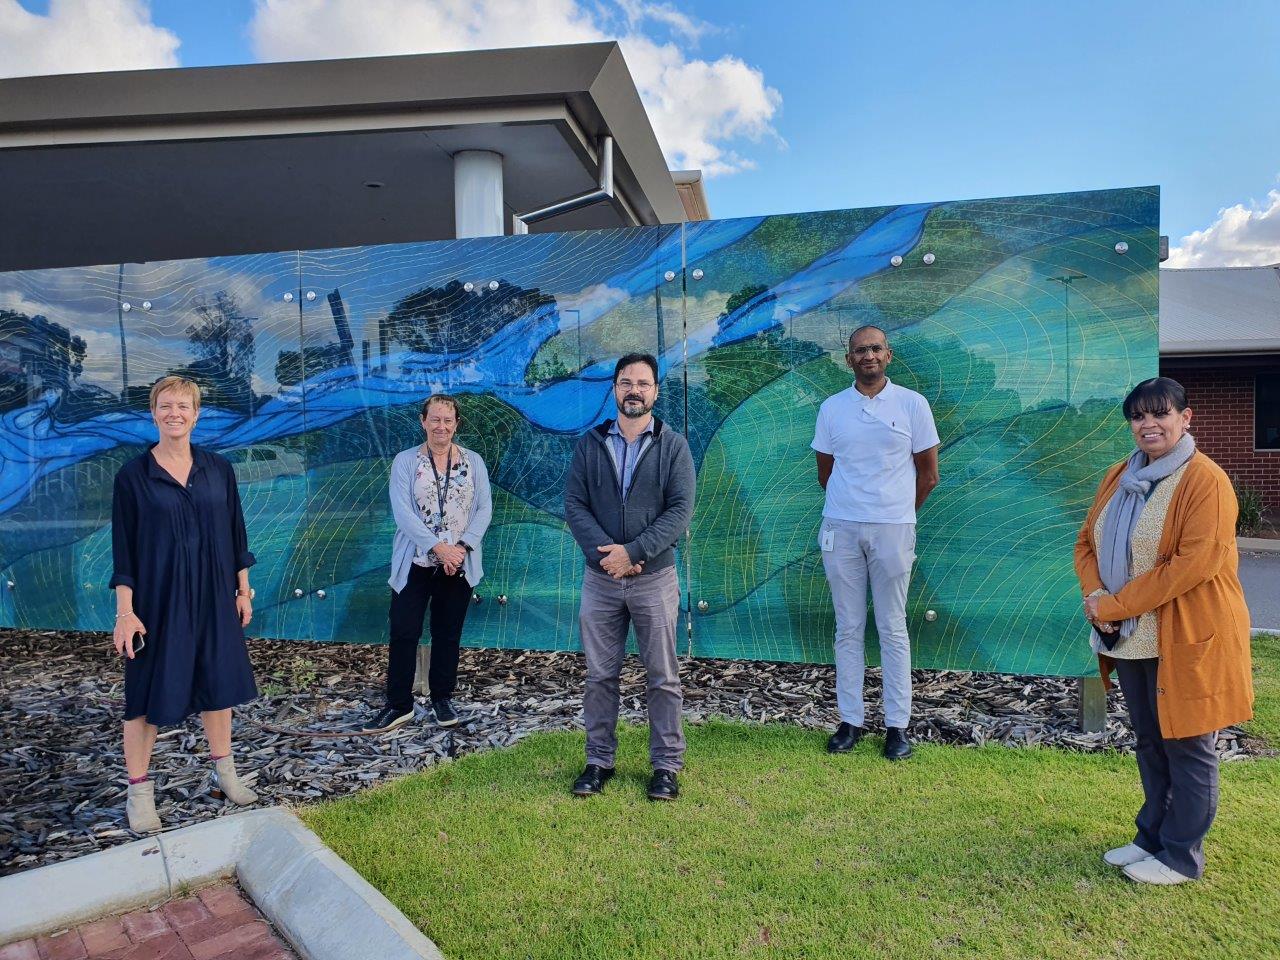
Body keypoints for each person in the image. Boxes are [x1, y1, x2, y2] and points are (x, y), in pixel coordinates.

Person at [1075, 376, 1253, 885]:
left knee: (1188, 745)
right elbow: (1087, 542)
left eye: (1160, 413)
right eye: (1138, 416)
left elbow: (1193, 564)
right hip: (1131, 635)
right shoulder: (1119, 475)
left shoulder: (1205, 480)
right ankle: (1150, 836)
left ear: (1185, 417)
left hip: (1188, 634)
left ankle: (1181, 854)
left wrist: (1115, 602)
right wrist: (1095, 599)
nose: (1148, 424)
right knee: (1150, 742)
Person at [110, 375, 259, 833]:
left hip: (215, 597)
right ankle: (139, 794)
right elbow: (125, 551)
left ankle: (225, 774)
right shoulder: (133, 477)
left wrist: (242, 587)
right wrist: (126, 612)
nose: (175, 413)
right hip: (158, 603)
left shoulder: (218, 469)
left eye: (184, 406)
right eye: (165, 405)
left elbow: (236, 532)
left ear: (197, 415)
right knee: (144, 699)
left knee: (219, 688)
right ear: (153, 413)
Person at [563, 352, 696, 801]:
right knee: (600, 675)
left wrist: (635, 553)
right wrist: (609, 558)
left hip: (654, 578)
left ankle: (665, 767)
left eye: (643, 383)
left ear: (656, 392)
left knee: (662, 675)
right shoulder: (590, 444)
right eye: (625, 382)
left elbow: (680, 510)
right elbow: (575, 506)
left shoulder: (674, 446)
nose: (634, 390)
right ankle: (599, 760)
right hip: (600, 580)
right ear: (615, 389)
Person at [812, 324, 939, 760]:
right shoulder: (832, 408)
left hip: (893, 529)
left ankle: (897, 727)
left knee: (892, 625)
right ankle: (850, 721)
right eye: (859, 350)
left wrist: (898, 512)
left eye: (875, 349)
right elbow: (825, 472)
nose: (868, 355)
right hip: (841, 527)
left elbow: (929, 473)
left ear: (889, 355)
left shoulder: (912, 405)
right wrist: (855, 505)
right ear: (849, 359)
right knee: (847, 627)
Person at [365, 394, 492, 732]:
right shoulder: (405, 462)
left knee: (447, 634)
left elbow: (484, 510)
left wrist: (460, 549)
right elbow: (403, 513)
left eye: (448, 420)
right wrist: (439, 548)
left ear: (456, 424)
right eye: (435, 419)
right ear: (423, 422)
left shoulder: (473, 461)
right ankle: (398, 705)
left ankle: (442, 698)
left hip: (459, 563)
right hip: (415, 562)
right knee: (404, 631)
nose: (441, 426)